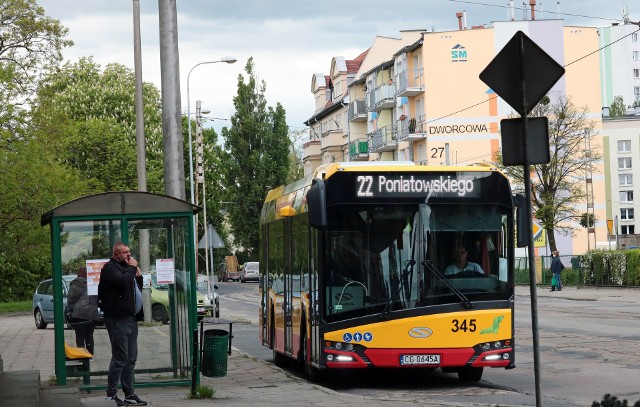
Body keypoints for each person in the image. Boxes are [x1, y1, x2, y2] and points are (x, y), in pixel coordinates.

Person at [98, 242, 146, 406]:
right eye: (125, 252)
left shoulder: (126, 268)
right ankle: (111, 395)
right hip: (117, 318)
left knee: (131, 358)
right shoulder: (110, 268)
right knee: (120, 358)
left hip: (130, 318)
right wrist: (132, 268)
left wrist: (138, 276)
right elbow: (122, 283)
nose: (128, 255)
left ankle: (129, 394)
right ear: (116, 254)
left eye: (129, 252)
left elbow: (133, 289)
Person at [66, 267, 98, 355]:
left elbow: (70, 300)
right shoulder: (93, 284)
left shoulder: (74, 285)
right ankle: (90, 354)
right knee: (89, 335)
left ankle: (81, 354)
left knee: (79, 335)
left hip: (78, 314)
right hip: (91, 313)